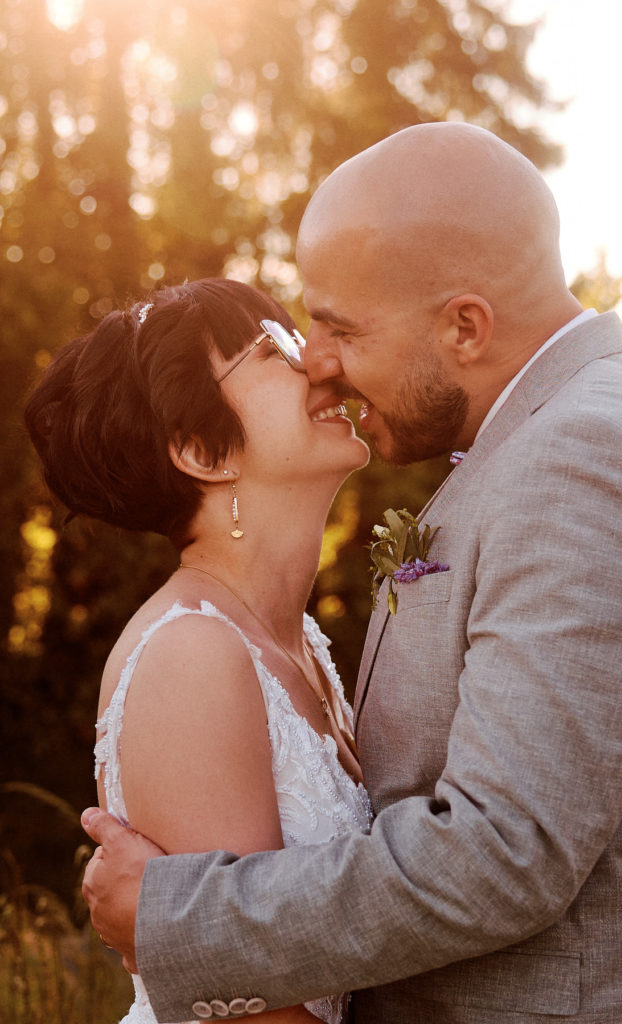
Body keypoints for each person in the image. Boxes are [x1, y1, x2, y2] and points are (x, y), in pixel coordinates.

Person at [81, 124, 622, 1022]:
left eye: (337, 327)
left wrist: (182, 917)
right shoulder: (545, 442)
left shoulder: (581, 457)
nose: (318, 361)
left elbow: (504, 851)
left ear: (464, 327)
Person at [25, 277, 373, 1024]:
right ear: (201, 451)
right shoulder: (192, 657)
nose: (315, 361)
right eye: (269, 349)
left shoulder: (298, 640)